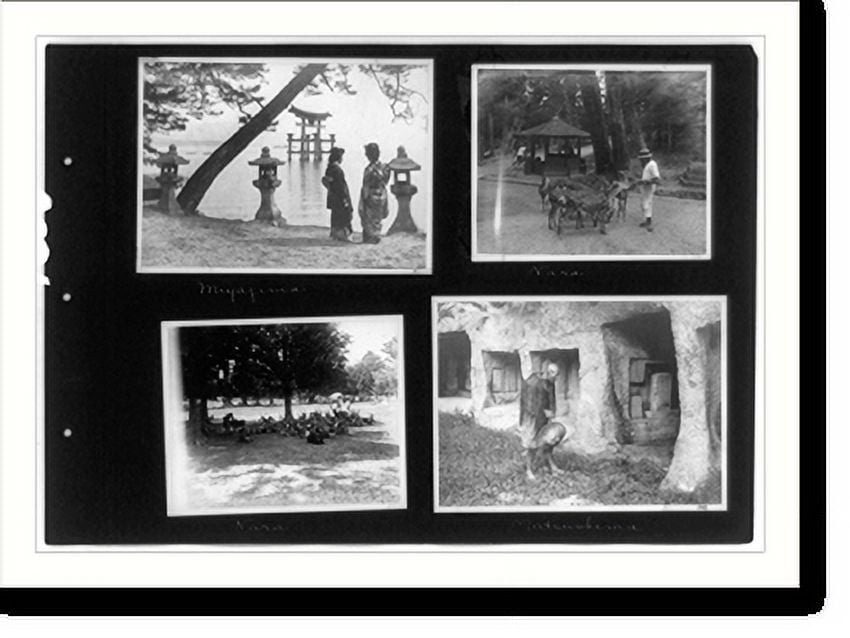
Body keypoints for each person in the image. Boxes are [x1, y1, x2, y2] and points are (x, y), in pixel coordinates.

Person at [518, 362, 568, 480]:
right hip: (532, 417)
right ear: (549, 372)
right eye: (555, 375)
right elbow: (528, 403)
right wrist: (540, 412)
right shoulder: (533, 383)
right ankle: (529, 470)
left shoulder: (550, 383)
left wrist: (551, 412)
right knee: (532, 443)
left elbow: (551, 399)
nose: (556, 378)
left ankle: (551, 465)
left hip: (543, 417)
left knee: (548, 441)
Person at [358, 142, 391, 244]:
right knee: (377, 218)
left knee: (368, 218)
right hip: (381, 194)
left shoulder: (369, 169)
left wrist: (363, 197)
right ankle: (376, 236)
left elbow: (366, 184)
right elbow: (386, 181)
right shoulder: (384, 167)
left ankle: (370, 237)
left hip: (370, 195)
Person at [322, 147, 354, 242]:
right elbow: (340, 186)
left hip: (333, 196)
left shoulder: (329, 168)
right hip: (339, 196)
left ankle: (336, 233)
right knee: (344, 215)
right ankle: (343, 234)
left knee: (336, 215)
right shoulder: (337, 170)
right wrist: (345, 199)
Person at [636, 147, 661, 232]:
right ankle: (647, 220)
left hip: (648, 187)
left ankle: (649, 223)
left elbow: (657, 179)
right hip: (645, 187)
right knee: (646, 203)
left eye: (642, 159)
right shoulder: (648, 165)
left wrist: (645, 182)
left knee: (646, 203)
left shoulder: (652, 165)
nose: (641, 161)